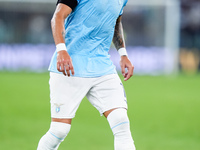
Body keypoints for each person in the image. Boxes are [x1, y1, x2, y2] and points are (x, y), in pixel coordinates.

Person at [37, 0, 136, 149]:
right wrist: (61, 50)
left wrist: (122, 53)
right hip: (70, 66)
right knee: (59, 130)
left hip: (102, 66)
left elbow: (115, 21)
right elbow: (58, 17)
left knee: (121, 122)